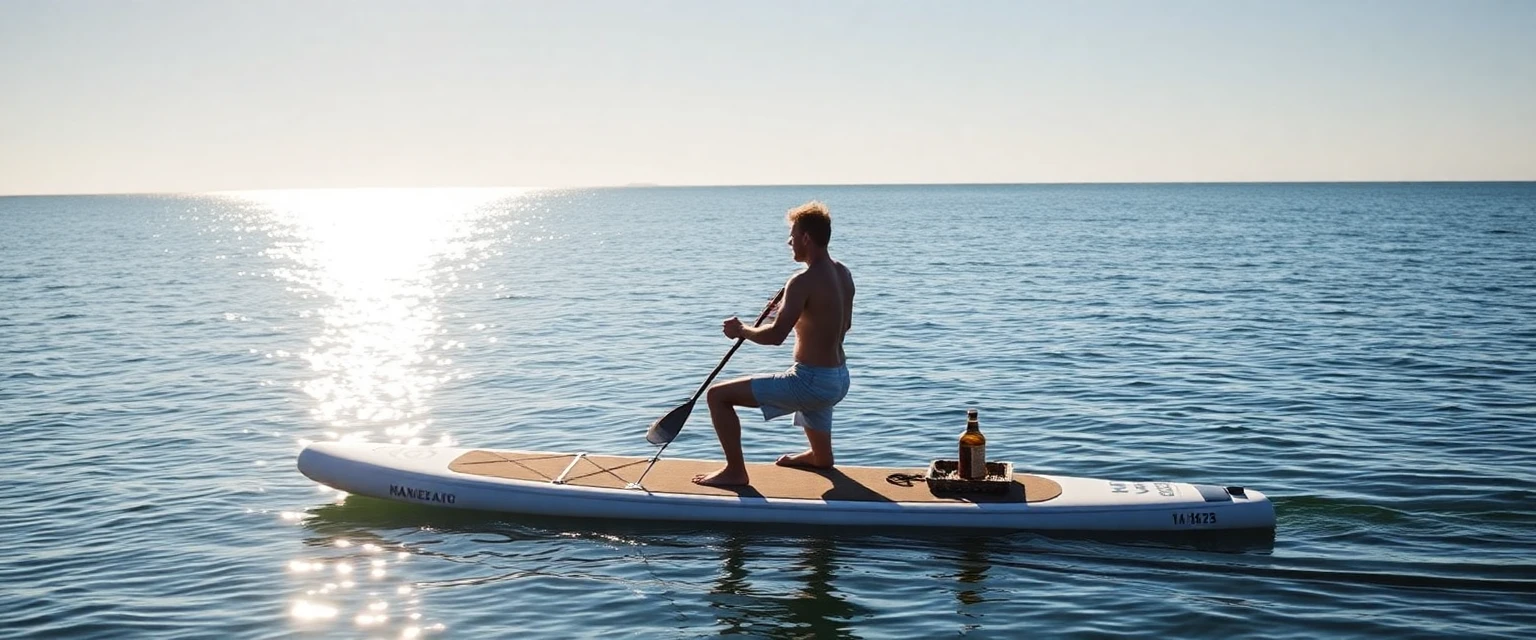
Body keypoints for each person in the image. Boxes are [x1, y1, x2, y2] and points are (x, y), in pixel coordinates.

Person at [693, 201, 855, 487]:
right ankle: (820, 457)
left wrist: (742, 330)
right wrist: (797, 314)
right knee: (813, 397)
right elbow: (842, 324)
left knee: (717, 397)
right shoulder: (843, 273)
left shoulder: (801, 281)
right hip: (840, 378)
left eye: (792, 235)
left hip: (812, 381)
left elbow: (775, 337)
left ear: (806, 237)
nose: (789, 241)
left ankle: (735, 472)